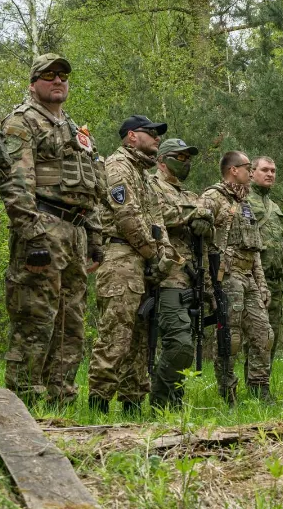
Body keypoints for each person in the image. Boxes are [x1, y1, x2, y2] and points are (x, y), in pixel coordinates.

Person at [0, 54, 106, 407]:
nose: (58, 80)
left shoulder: (73, 129)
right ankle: (24, 401)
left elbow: (88, 185)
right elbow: (16, 184)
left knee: (71, 322)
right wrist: (32, 235)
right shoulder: (21, 121)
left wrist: (94, 235)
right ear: (33, 83)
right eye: (49, 75)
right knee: (35, 319)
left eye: (63, 75)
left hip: (74, 231)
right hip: (43, 226)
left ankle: (61, 400)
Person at [88, 115, 178, 415]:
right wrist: (154, 254)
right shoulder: (117, 166)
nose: (157, 138)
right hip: (121, 260)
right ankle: (98, 403)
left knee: (141, 338)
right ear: (130, 136)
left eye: (158, 134)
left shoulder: (143, 175)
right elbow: (128, 218)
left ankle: (132, 403)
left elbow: (157, 220)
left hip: (144, 261)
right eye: (150, 133)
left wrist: (164, 254)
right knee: (116, 333)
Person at [201, 151, 273, 405]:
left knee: (264, 334)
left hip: (249, 277)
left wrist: (262, 284)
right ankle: (228, 393)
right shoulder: (212, 198)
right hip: (226, 277)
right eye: (247, 168)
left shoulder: (245, 204)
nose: (251, 173)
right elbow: (200, 241)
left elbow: (254, 250)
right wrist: (209, 285)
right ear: (233, 170)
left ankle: (259, 388)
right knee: (228, 339)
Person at [149, 138, 214, 410]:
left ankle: (174, 403)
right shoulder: (152, 186)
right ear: (163, 160)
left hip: (191, 279)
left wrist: (203, 221)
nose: (185, 163)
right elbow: (158, 214)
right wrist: (196, 215)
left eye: (188, 158)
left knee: (184, 344)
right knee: (180, 344)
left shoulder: (188, 195)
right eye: (180, 157)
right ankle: (160, 401)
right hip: (166, 277)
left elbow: (207, 226)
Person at [247, 157, 283, 365]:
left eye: (273, 171)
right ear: (251, 172)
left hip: (274, 283)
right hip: (252, 280)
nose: (270, 174)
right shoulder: (244, 200)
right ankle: (249, 385)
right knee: (255, 335)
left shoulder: (274, 207)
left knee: (271, 334)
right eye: (265, 170)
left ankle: (261, 383)